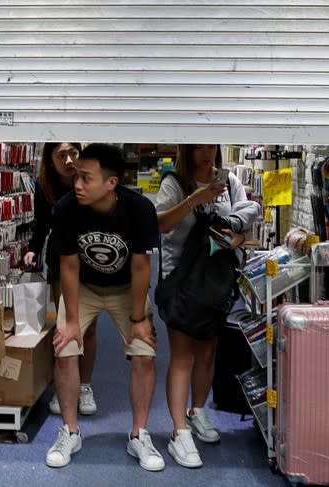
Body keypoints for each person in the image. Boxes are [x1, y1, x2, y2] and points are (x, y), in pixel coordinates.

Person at [45, 143, 164, 471]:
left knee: (144, 352)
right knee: (65, 346)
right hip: (84, 286)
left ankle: (138, 435)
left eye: (86, 178)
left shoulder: (139, 209)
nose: (77, 184)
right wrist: (70, 320)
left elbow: (141, 267)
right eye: (77, 177)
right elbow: (68, 266)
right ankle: (70, 431)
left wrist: (138, 318)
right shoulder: (68, 208)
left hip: (128, 289)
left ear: (111, 183)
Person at [155, 144, 260, 468]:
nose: (205, 152)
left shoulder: (229, 182)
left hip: (216, 282)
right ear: (186, 149)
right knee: (183, 355)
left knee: (209, 350)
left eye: (210, 145)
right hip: (182, 281)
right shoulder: (174, 182)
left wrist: (238, 239)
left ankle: (197, 411)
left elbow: (247, 223)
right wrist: (194, 201)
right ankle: (179, 431)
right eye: (197, 146)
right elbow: (160, 224)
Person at [22, 142, 99, 416]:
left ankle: (85, 385)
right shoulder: (45, 187)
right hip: (59, 259)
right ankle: (65, 385)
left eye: (72, 153)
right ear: (51, 160)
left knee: (88, 328)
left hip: (90, 259)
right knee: (65, 324)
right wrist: (32, 248)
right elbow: (41, 223)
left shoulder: (91, 179)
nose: (68, 160)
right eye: (61, 155)